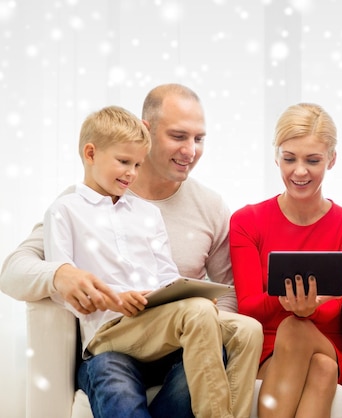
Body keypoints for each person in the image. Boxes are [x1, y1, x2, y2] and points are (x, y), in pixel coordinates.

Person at [1, 84, 263, 418]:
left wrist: (193, 298)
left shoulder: (198, 208)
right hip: (115, 336)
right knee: (189, 318)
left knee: (244, 329)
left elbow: (191, 282)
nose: (190, 151)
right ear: (147, 131)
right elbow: (14, 270)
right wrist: (61, 275)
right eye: (179, 136)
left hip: (175, 334)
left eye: (199, 139)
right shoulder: (69, 206)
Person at [43, 105, 237, 418]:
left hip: (159, 336)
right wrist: (114, 298)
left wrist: (187, 296)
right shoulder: (65, 210)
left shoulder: (147, 214)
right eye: (123, 162)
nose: (132, 173)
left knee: (215, 344)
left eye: (137, 164)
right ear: (90, 153)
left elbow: (166, 275)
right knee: (112, 379)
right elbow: (62, 287)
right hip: (109, 338)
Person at [229, 102, 342, 418]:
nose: (300, 171)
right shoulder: (247, 221)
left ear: (332, 160)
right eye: (289, 158)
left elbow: (334, 305)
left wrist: (303, 308)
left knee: (298, 329)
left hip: (325, 341)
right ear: (276, 156)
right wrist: (289, 303)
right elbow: (248, 307)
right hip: (269, 350)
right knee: (318, 364)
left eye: (313, 160)